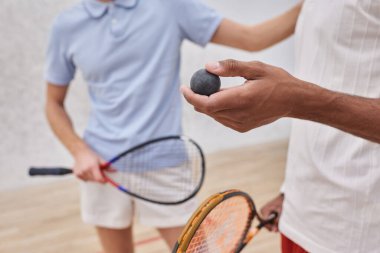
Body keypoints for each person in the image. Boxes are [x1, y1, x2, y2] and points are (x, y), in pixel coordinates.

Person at [44, 0, 302, 252]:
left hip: (164, 161)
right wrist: (79, 152)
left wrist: (314, 4)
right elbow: (53, 104)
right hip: (102, 165)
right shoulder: (67, 25)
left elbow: (253, 38)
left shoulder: (169, 5)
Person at [181, 1, 380, 252]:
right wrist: (291, 189)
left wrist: (296, 101)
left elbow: (305, 95)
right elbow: (329, 74)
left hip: (358, 236)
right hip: (300, 215)